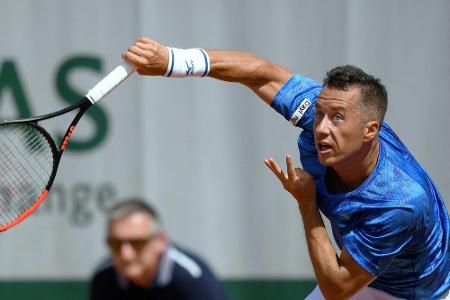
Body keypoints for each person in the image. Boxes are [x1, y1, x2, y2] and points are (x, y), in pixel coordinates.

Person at [121, 37, 450, 300]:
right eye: (320, 113)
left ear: (370, 130)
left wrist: (307, 203)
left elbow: (337, 288)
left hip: (419, 293)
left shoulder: (400, 201)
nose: (321, 127)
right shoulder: (318, 119)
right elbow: (259, 71)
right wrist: (173, 61)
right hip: (361, 277)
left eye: (337, 119)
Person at [89, 198, 230, 300]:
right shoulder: (103, 278)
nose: (126, 254)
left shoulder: (192, 279)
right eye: (116, 244)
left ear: (161, 241)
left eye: (137, 243)